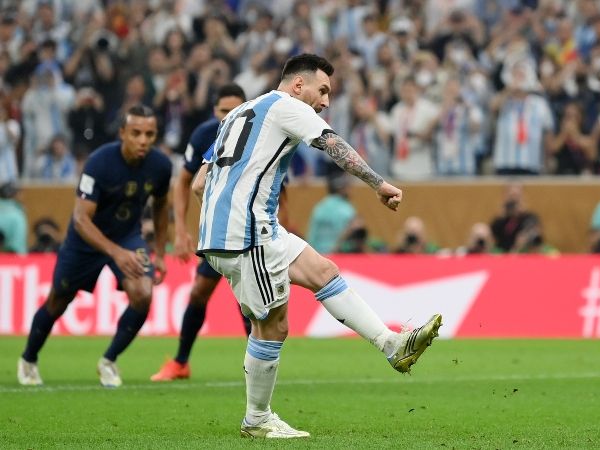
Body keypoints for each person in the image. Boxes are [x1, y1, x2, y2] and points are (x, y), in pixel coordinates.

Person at [196, 54, 442, 439]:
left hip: (247, 228)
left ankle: (392, 344)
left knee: (323, 272)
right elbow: (332, 143)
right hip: (247, 232)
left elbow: (200, 182)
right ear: (298, 85)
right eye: (322, 90)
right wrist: (379, 184)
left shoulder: (241, 111)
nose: (326, 101)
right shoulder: (286, 106)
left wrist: (217, 223)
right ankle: (257, 420)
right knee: (272, 326)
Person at [17, 105, 172, 388]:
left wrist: (160, 252)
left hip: (127, 236)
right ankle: (28, 359)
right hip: (85, 240)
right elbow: (80, 219)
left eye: (149, 134)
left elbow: (161, 208)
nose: (143, 140)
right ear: (122, 133)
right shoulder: (99, 163)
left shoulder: (161, 166)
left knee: (143, 294)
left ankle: (109, 361)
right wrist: (115, 252)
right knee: (58, 300)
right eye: (136, 133)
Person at [150, 84, 250, 382]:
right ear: (214, 111)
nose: (229, 116)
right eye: (223, 111)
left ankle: (257, 368)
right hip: (218, 232)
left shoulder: (260, 134)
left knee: (248, 300)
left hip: (250, 229)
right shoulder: (205, 135)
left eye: (236, 110)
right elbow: (183, 182)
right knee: (199, 292)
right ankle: (181, 362)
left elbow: (280, 193)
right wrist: (179, 231)